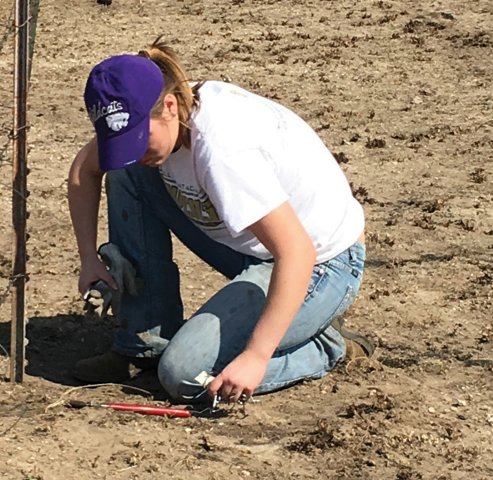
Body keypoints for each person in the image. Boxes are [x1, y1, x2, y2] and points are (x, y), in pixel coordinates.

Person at [67, 38, 374, 404]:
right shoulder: (162, 114)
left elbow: (298, 252)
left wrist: (256, 356)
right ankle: (140, 344)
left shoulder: (222, 149)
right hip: (255, 247)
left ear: (168, 106)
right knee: (126, 173)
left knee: (184, 375)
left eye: (138, 138)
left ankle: (325, 347)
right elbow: (84, 171)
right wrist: (88, 257)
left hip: (322, 266)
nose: (134, 150)